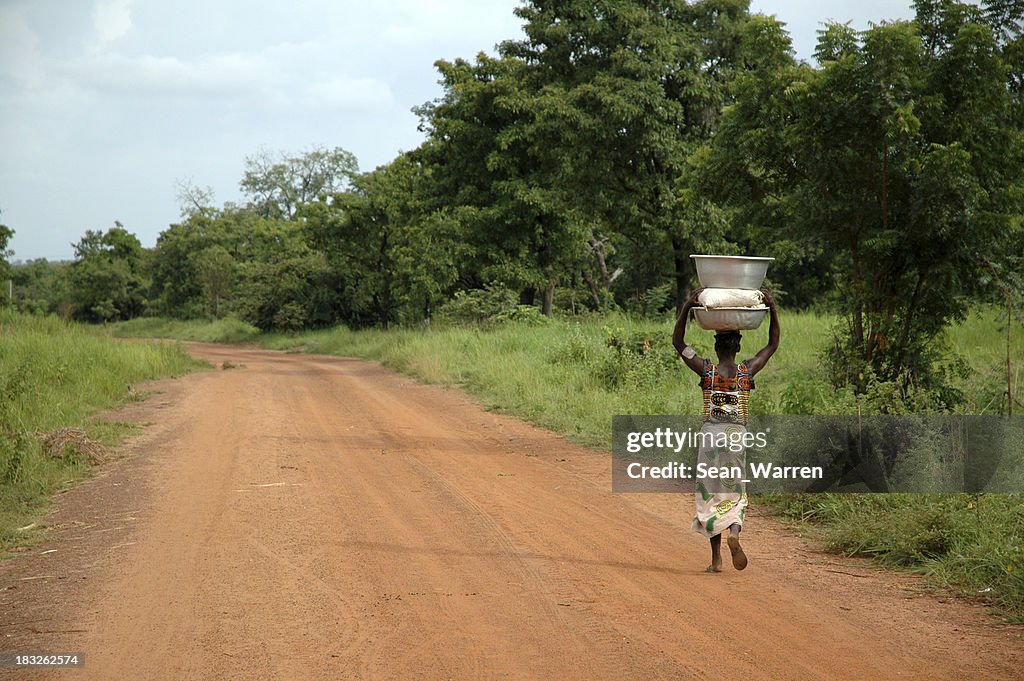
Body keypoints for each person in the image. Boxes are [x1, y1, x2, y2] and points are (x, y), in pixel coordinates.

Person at [672, 287, 780, 572]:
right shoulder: (748, 370)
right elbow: (772, 345)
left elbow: (678, 343)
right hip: (736, 436)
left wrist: (687, 306)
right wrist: (773, 309)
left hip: (710, 436)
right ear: (738, 347)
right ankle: (734, 533)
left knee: (711, 492)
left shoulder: (705, 370)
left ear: (717, 348)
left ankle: (716, 559)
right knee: (734, 491)